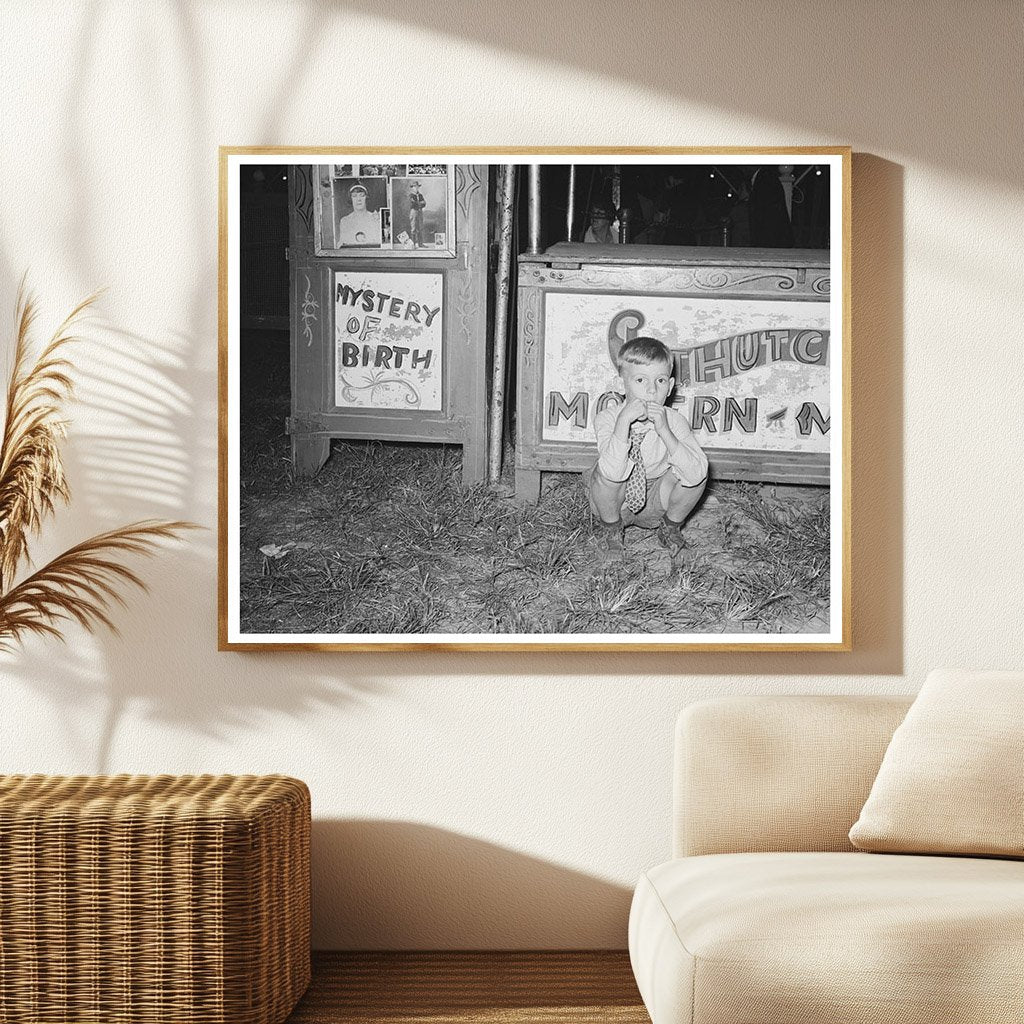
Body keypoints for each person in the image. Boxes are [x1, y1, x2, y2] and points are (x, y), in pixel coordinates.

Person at [584, 336, 708, 556]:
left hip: (657, 500)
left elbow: (696, 473)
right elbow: (612, 471)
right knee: (604, 473)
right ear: (621, 383)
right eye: (640, 380)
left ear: (670, 387)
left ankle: (669, 528)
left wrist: (665, 431)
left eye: (660, 381)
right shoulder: (607, 418)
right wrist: (623, 422)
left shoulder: (674, 420)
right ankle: (612, 533)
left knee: (697, 468)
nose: (652, 390)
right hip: (616, 504)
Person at [408, 180, 427, 247]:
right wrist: (420, 203)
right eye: (414, 186)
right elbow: (413, 204)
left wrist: (419, 203)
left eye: (417, 186)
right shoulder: (411, 195)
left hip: (420, 212)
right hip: (414, 212)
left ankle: (420, 244)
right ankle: (413, 244)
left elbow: (424, 203)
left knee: (420, 228)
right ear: (412, 188)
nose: (416, 188)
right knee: (413, 228)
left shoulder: (420, 195)